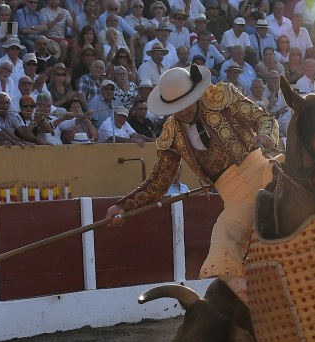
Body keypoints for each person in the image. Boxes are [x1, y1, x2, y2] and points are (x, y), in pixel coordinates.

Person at [106, 64, 278, 306]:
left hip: (262, 171)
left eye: (186, 102)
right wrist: (123, 206)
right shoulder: (171, 132)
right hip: (235, 198)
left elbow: (263, 117)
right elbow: (160, 180)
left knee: (294, 192)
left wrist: (267, 135)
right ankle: (258, 310)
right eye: (176, 107)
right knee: (222, 243)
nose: (184, 110)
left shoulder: (222, 96)